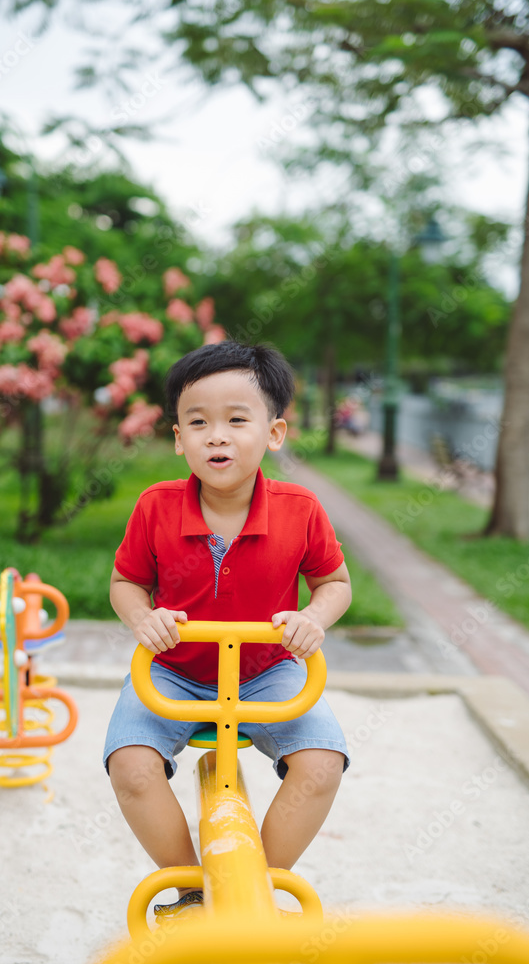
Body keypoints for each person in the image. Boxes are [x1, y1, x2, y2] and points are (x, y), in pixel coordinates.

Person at [104, 341, 351, 919]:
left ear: (274, 432)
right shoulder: (156, 507)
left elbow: (334, 582)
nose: (217, 435)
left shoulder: (300, 508)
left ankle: (257, 888)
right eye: (198, 422)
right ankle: (192, 890)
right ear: (178, 438)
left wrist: (311, 619)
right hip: (175, 672)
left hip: (268, 672)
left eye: (237, 420)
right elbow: (125, 583)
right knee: (130, 766)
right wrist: (145, 619)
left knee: (323, 763)